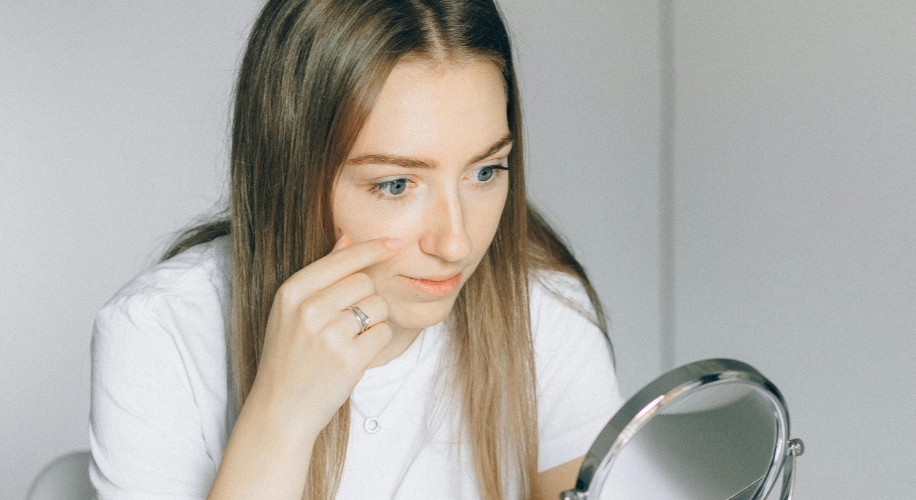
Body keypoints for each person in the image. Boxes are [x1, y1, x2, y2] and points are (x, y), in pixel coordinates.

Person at [89, 0, 623, 499]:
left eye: (485, 172)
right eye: (396, 185)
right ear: (290, 176)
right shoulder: (160, 332)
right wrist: (282, 415)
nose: (456, 242)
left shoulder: (543, 308)